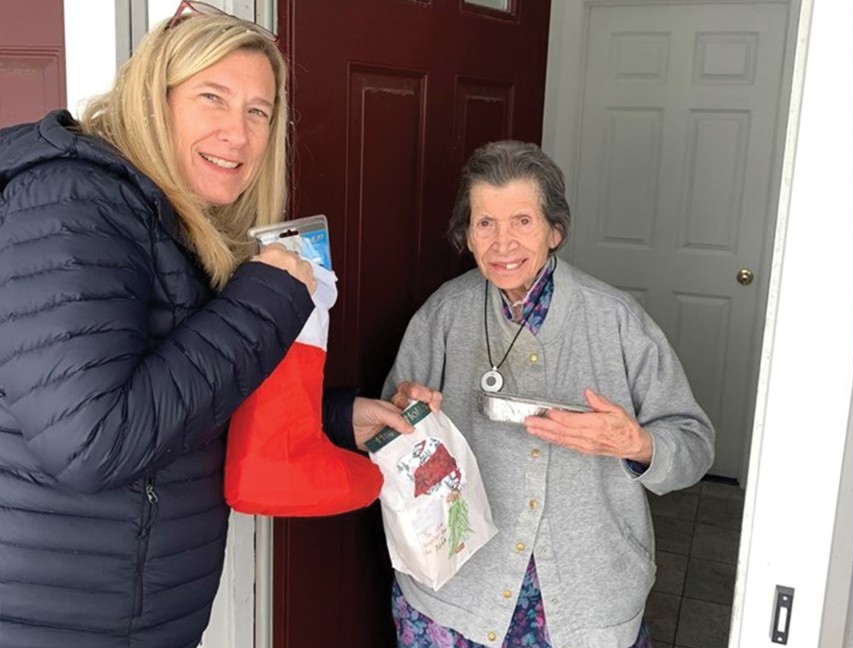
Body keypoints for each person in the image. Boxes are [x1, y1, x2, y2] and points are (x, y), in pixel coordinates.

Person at [0, 3, 432, 647]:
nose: (239, 133)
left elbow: (180, 401)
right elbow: (92, 443)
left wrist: (334, 418)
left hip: (125, 614)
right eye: (213, 97)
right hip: (57, 621)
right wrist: (267, 297)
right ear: (154, 97)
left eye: (258, 111)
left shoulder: (162, 211)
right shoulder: (74, 200)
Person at [384, 140, 715, 648]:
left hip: (586, 601)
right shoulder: (444, 315)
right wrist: (407, 409)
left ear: (554, 230)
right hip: (457, 594)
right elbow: (386, 433)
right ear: (465, 234)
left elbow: (693, 445)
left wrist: (636, 444)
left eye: (522, 221)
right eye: (484, 223)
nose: (502, 244)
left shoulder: (615, 320)